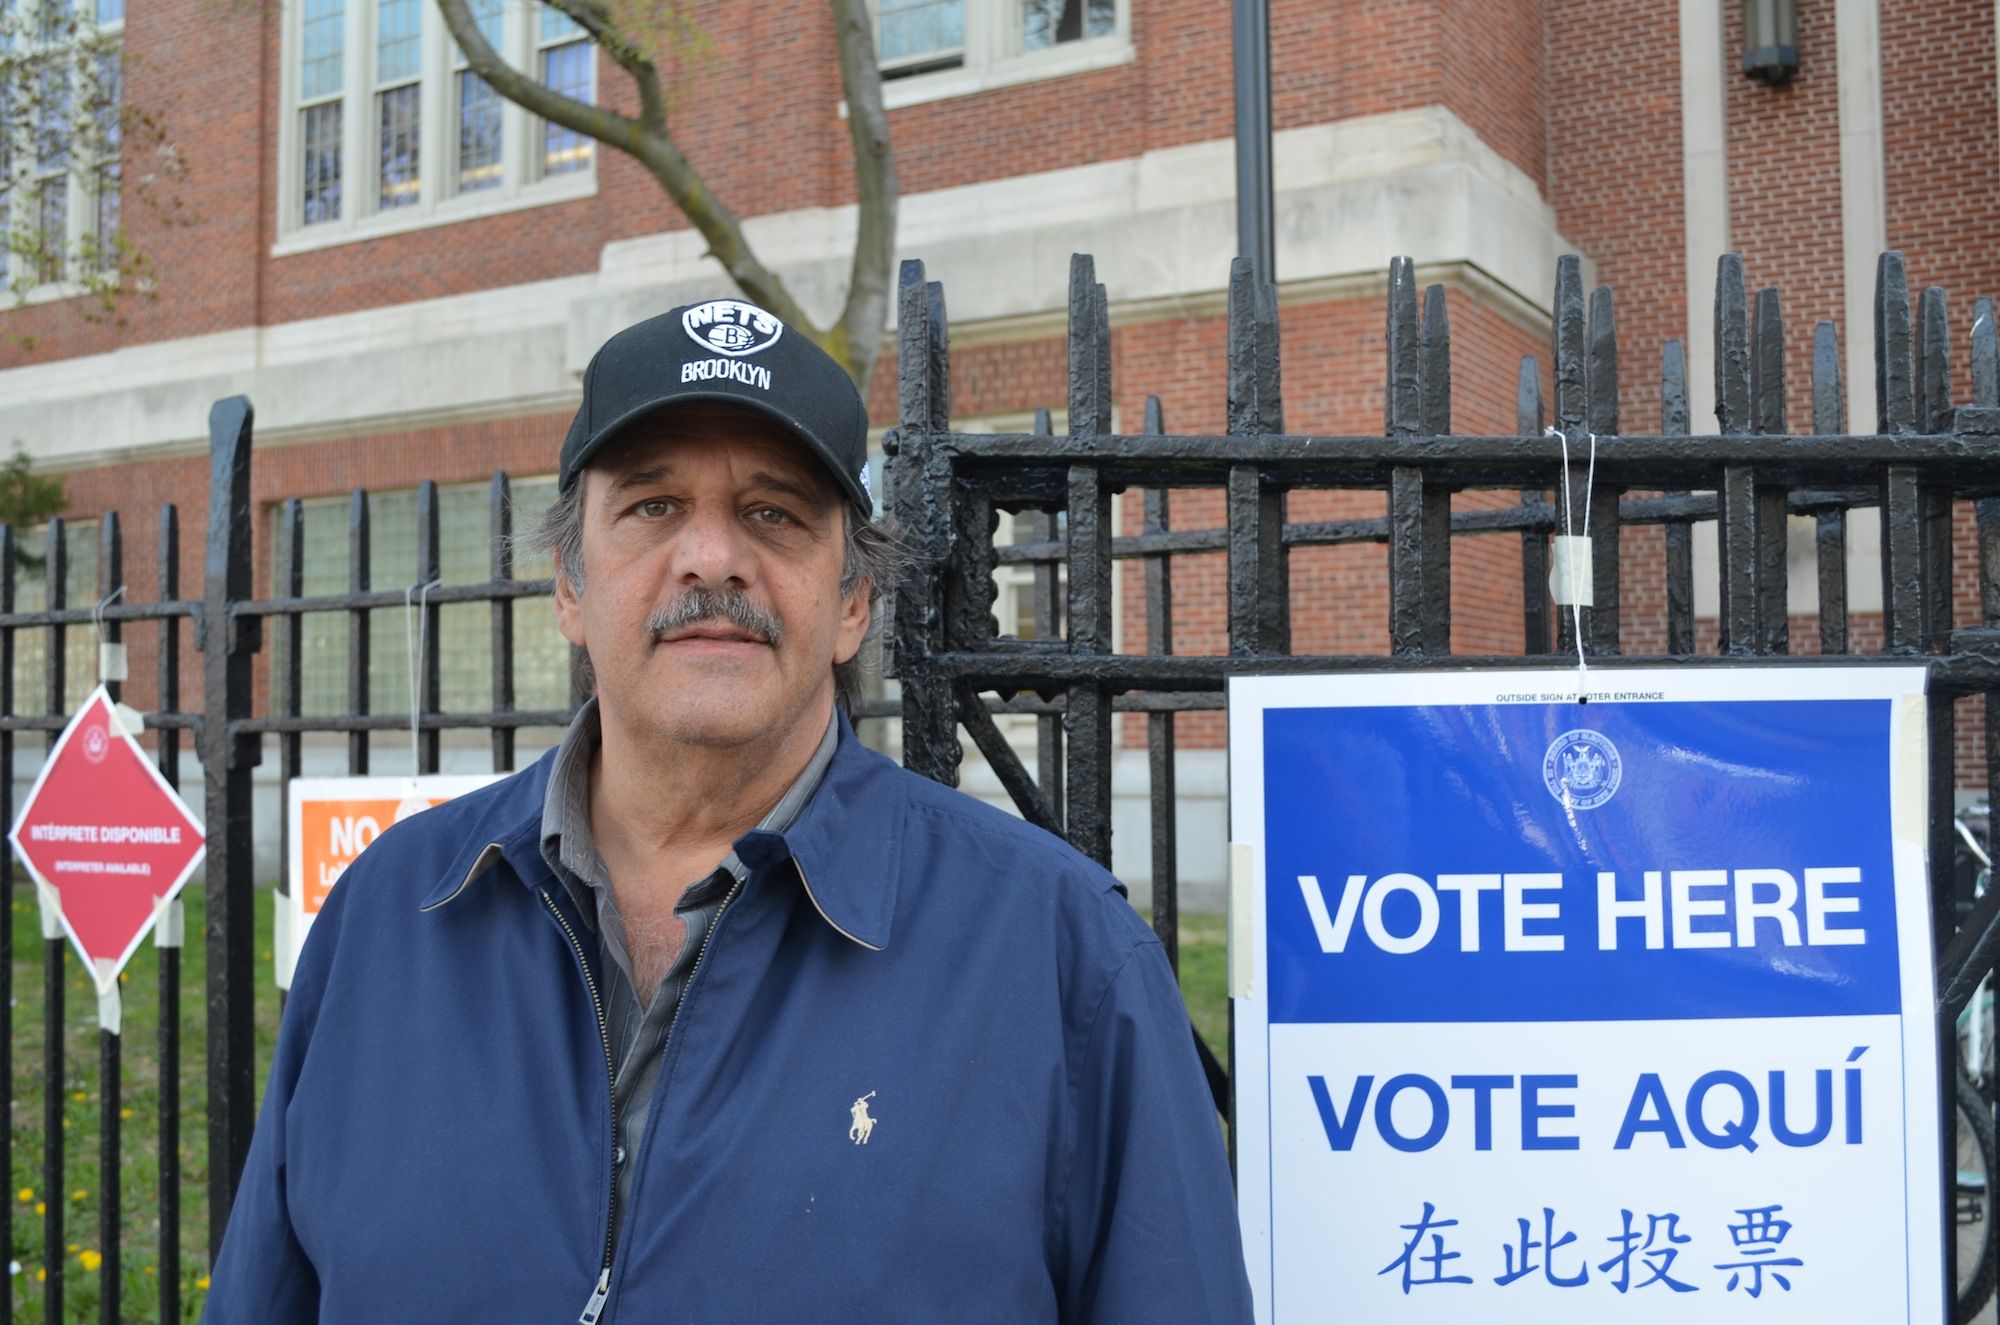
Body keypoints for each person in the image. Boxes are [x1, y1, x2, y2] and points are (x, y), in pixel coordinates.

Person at [202, 298, 1253, 1323]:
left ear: (852, 604)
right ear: (568, 585)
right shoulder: (390, 911)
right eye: (653, 505)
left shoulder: (1059, 953)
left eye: (774, 512)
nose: (711, 556)